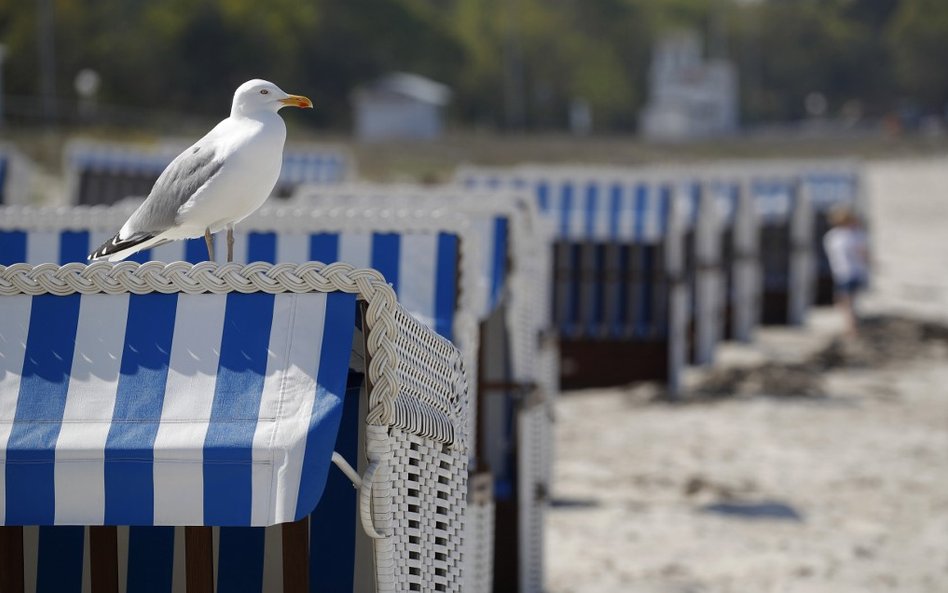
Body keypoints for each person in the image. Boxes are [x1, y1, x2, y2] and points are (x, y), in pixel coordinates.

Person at [822, 205, 870, 336]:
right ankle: (851, 326)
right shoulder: (852, 235)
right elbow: (862, 253)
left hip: (845, 272)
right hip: (851, 271)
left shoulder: (834, 236)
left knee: (845, 300)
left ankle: (851, 328)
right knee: (847, 300)